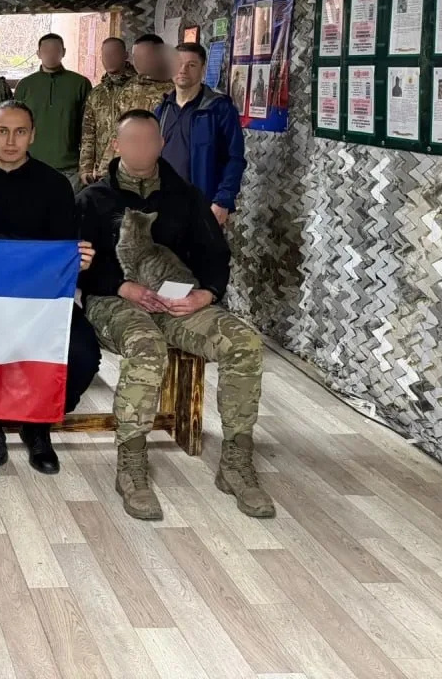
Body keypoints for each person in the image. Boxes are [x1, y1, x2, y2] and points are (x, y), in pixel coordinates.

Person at [77, 110, 273, 521]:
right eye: (132, 141)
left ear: (162, 144)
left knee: (244, 343)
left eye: (150, 140)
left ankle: (236, 461)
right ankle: (132, 462)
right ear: (116, 145)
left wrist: (206, 293)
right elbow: (78, 264)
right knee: (146, 347)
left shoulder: (185, 195)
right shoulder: (93, 200)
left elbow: (215, 254)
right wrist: (121, 286)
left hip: (178, 302)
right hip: (115, 300)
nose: (141, 148)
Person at [0, 101, 101, 483]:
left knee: (83, 354)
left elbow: (65, 246)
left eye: (19, 132)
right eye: (2, 131)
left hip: (41, 302)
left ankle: (37, 422)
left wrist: (78, 260)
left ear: (33, 135)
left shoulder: (55, 185)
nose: (10, 140)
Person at [156, 42, 246, 227]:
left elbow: (234, 158)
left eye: (191, 65)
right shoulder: (162, 110)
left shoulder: (219, 109)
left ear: (203, 69)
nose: (183, 70)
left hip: (203, 206)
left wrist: (222, 201)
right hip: (165, 204)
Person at [13, 33, 91, 189]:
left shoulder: (80, 83)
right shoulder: (25, 85)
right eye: (46, 50)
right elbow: (15, 125)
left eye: (55, 50)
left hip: (70, 166)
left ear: (63, 52)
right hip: (32, 164)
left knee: (68, 204)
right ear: (38, 53)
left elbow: (88, 126)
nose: (50, 54)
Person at [79, 37, 137, 184]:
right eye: (106, 55)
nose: (109, 58)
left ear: (125, 55)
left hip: (134, 167)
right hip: (103, 171)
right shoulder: (97, 93)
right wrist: (86, 168)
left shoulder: (139, 88)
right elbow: (88, 133)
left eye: (114, 53)